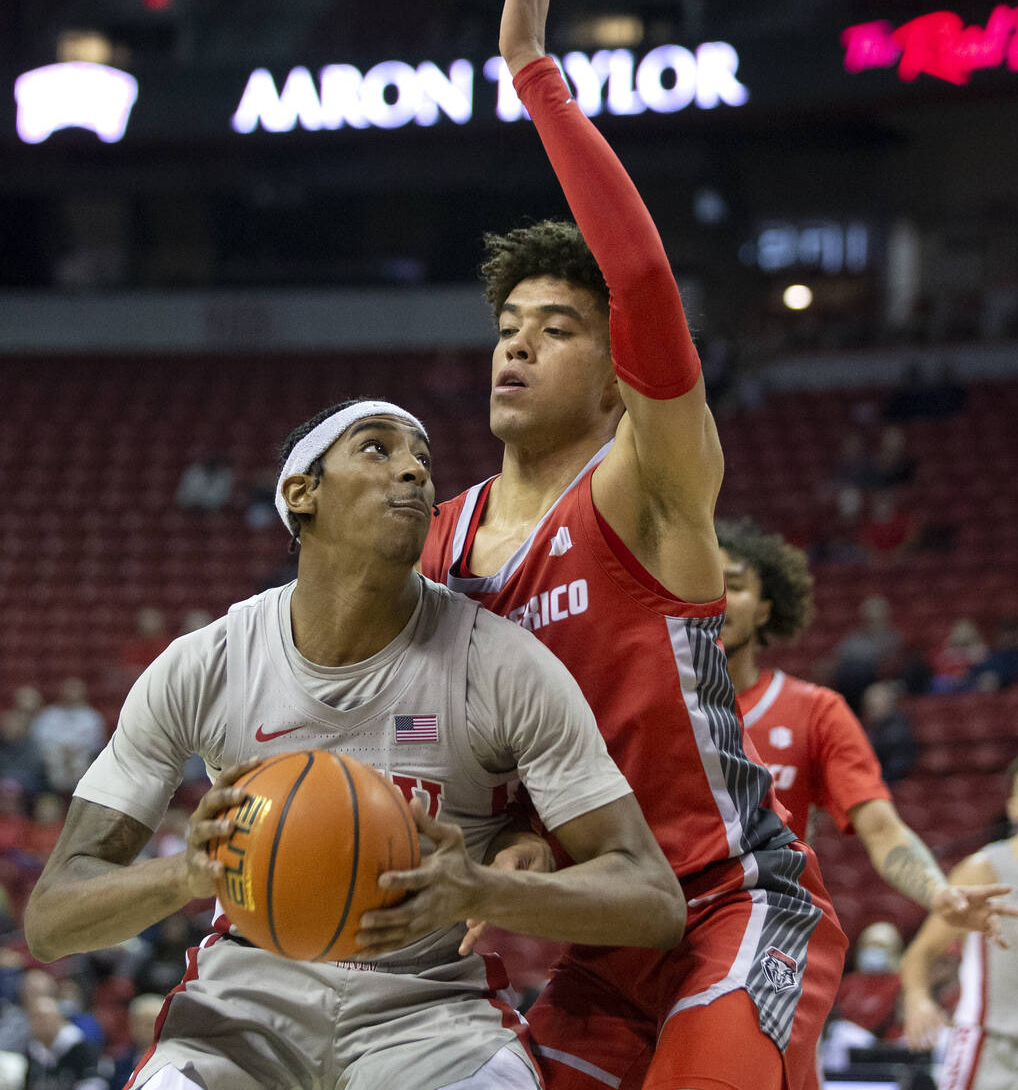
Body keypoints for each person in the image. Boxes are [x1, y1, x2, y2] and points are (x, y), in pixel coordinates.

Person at [422, 0, 848, 1090]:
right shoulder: (440, 541)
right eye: (506, 329)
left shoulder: (645, 485)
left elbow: (646, 279)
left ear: (616, 373)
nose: (515, 348)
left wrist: (533, 77)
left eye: (555, 329)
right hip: (597, 941)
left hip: (727, 902)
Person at [24, 398, 685, 1090]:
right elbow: (51, 918)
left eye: (423, 462)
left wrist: (486, 888)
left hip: (432, 1011)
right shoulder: (207, 664)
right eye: (377, 449)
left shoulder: (501, 664)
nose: (413, 473)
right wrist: (184, 876)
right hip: (242, 1007)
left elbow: (653, 900)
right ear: (300, 493)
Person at [716, 518, 1011, 924]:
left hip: (760, 926)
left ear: (766, 607)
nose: (717, 598)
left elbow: (882, 829)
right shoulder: (646, 700)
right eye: (704, 583)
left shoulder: (814, 710)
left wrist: (937, 891)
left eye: (734, 585)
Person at [901, 747, 1018, 1090]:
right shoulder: (983, 869)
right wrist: (918, 999)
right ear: (1013, 808)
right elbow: (920, 953)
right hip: (991, 1045)